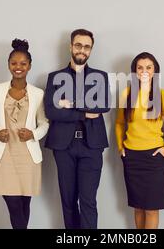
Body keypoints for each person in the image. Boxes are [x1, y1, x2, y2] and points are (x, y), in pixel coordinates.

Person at [44, 29, 110, 229]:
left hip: (92, 146)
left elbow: (102, 106)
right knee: (68, 201)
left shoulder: (100, 77)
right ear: (71, 46)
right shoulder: (55, 77)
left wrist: (67, 103)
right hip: (64, 147)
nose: (82, 50)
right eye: (78, 45)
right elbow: (51, 111)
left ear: (91, 50)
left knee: (88, 201)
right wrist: (82, 113)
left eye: (87, 47)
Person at [0, 39, 49, 229]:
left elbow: (44, 123)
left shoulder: (37, 93)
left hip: (28, 156)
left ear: (29, 66)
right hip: (5, 154)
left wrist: (33, 134)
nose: (18, 67)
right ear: (8, 65)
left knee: (24, 203)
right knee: (13, 204)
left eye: (23, 64)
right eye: (14, 63)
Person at [115, 52, 164, 229]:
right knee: (138, 208)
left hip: (155, 159)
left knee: (151, 210)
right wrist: (121, 148)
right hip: (132, 158)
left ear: (155, 71)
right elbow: (119, 123)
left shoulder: (163, 95)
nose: (144, 71)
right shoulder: (126, 94)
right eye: (140, 67)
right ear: (134, 71)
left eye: (149, 67)